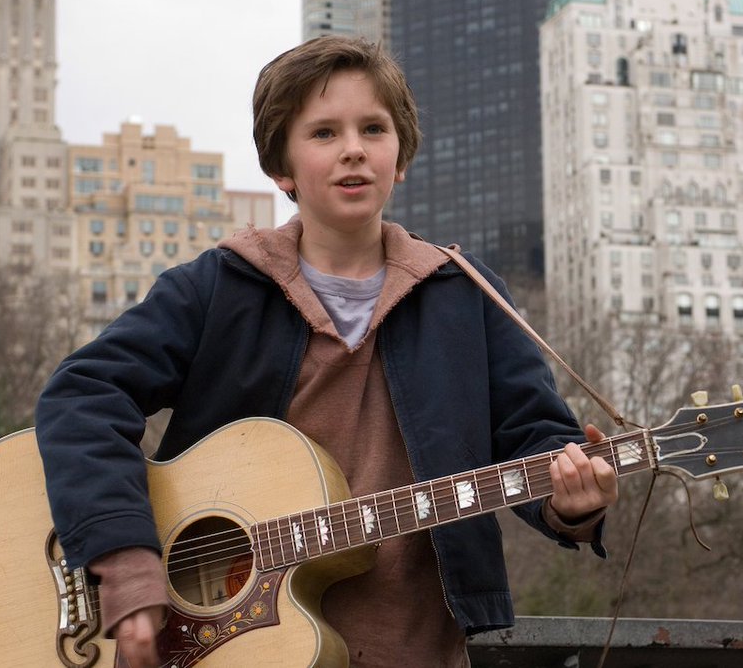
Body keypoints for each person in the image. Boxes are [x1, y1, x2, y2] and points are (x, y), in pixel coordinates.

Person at [35, 35, 618, 667]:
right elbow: (83, 397)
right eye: (323, 133)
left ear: (400, 156)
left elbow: (537, 437)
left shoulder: (466, 295)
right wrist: (127, 562)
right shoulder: (216, 289)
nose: (353, 149)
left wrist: (571, 502)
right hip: (228, 649)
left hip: (412, 649)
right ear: (281, 168)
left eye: (373, 128)